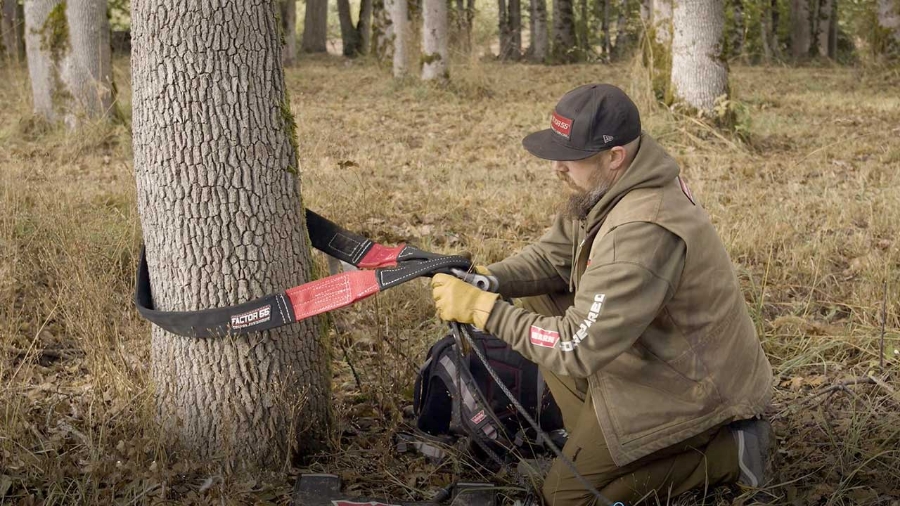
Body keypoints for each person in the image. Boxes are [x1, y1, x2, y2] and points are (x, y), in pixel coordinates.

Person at [430, 84, 774, 505]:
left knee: (566, 498)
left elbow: (577, 346)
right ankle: (607, 433)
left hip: (695, 388)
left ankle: (729, 454)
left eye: (571, 157)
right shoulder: (611, 187)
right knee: (540, 297)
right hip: (657, 353)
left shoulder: (641, 230)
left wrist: (485, 312)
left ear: (615, 157)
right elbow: (553, 258)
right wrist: (487, 280)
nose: (557, 167)